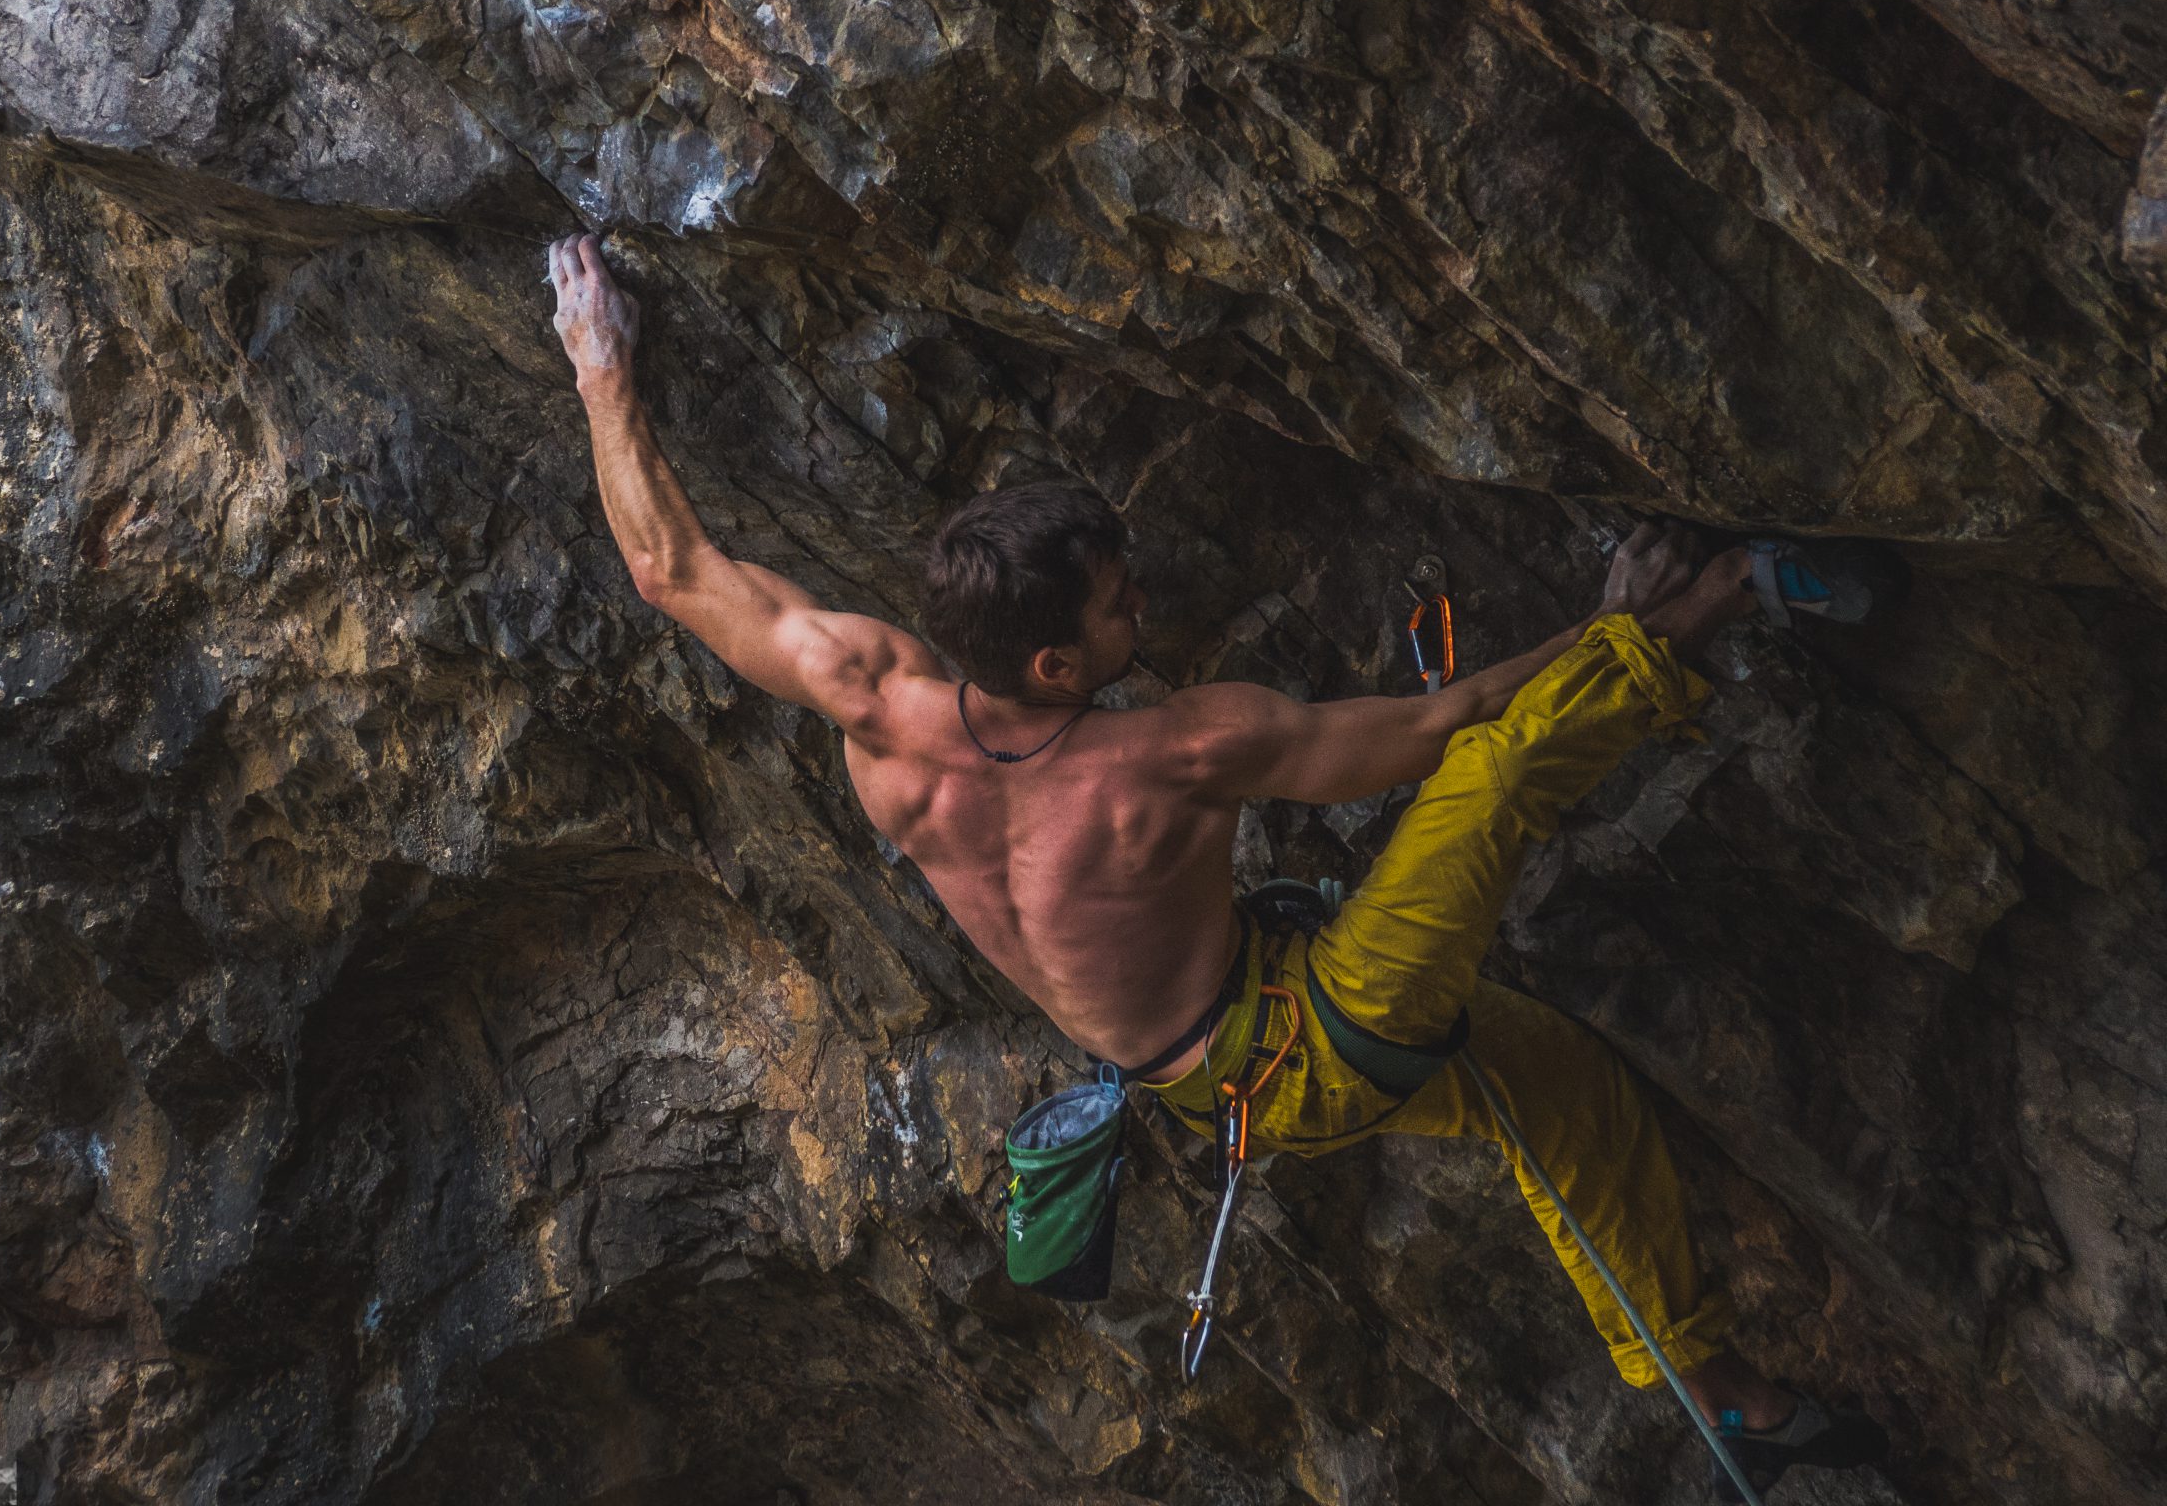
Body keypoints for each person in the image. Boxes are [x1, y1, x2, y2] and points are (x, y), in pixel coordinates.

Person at [546, 231, 1886, 1494]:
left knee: (1560, 1100)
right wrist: (1612, 625)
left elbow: (671, 568)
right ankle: (1719, 604)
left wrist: (600, 367)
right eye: (1121, 605)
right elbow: (1444, 729)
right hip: (1316, 1040)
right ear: (1057, 664)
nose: (1147, 606)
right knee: (1493, 784)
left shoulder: (870, 703)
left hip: (1207, 1080)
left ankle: (1728, 1404)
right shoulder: (1177, 755)